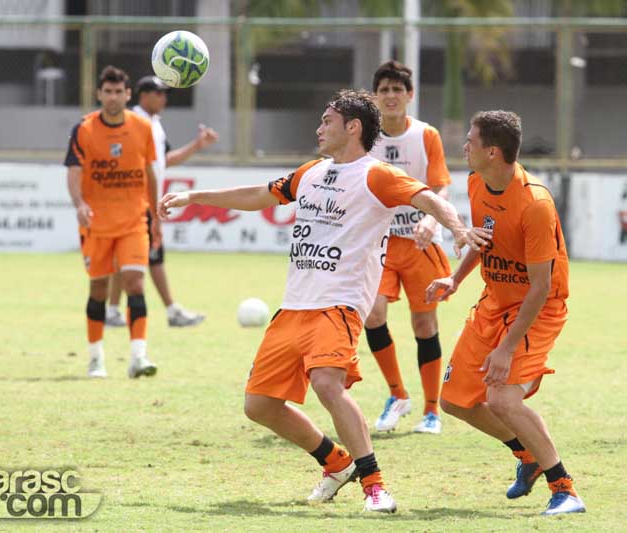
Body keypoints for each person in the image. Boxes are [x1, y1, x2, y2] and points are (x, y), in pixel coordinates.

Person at [158, 90, 475, 513]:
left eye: (327, 121)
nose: (319, 128)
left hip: (340, 304)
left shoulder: (376, 175)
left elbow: (428, 197)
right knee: (259, 406)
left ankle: (375, 486)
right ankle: (335, 462)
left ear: (353, 128)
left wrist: (454, 227)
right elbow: (258, 196)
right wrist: (195, 196)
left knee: (327, 383)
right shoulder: (311, 172)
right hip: (294, 306)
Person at [425, 110, 586, 515]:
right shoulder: (477, 181)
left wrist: (507, 349)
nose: (464, 146)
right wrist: (455, 280)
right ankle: (526, 455)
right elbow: (484, 241)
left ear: (493, 151)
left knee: (502, 399)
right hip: (494, 302)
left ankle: (565, 489)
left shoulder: (534, 203)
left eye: (470, 140)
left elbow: (541, 286)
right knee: (455, 402)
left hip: (538, 308)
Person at [366, 60, 452, 435]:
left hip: (419, 245)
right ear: (375, 96)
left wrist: (432, 218)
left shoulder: (425, 135)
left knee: (423, 323)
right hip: (378, 244)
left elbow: (441, 185)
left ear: (409, 96)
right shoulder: (365, 136)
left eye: (396, 90)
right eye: (383, 90)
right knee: (373, 314)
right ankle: (397, 394)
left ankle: (432, 411)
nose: (390, 96)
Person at [64, 65, 159, 379]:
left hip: (134, 220)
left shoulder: (142, 128)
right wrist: (79, 203)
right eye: (108, 91)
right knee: (99, 289)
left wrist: (155, 217)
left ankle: (139, 357)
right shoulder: (84, 129)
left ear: (128, 94)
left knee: (135, 282)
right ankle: (95, 358)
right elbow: (74, 171)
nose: (114, 97)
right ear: (99, 94)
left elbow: (148, 173)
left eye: (119, 91)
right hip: (96, 224)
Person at [105, 75, 219, 328]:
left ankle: (114, 310)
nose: (163, 98)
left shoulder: (154, 124)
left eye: (165, 93)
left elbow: (163, 160)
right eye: (158, 93)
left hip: (147, 200)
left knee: (135, 256)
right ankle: (170, 311)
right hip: (135, 199)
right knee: (150, 256)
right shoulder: (132, 121)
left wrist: (197, 145)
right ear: (142, 95)